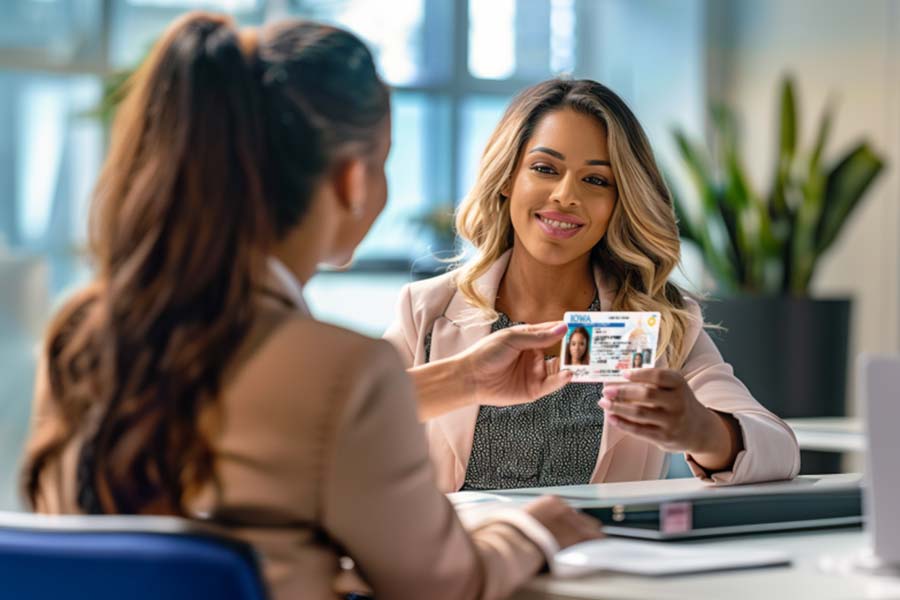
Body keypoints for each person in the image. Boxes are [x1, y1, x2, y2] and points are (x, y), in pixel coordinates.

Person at [20, 14, 603, 600]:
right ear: (352, 181)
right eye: (384, 162)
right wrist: (530, 531)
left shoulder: (80, 332)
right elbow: (447, 584)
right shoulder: (341, 372)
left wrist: (463, 377)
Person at [384, 79, 801, 493]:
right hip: (459, 555)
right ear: (508, 178)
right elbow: (346, 423)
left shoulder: (658, 322)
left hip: (602, 557)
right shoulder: (427, 309)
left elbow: (779, 450)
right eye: (545, 169)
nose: (566, 196)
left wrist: (700, 429)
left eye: (597, 181)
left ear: (620, 200)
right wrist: (462, 378)